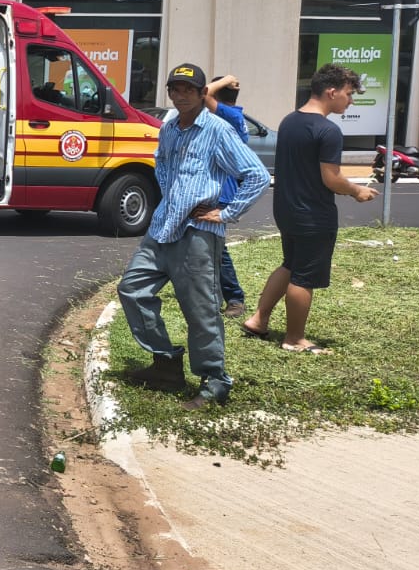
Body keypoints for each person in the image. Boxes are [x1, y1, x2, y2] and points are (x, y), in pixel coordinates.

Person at [117, 63, 269, 409]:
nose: (181, 95)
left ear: (204, 94)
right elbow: (164, 167)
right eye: (175, 88)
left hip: (198, 232)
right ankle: (166, 363)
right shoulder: (169, 126)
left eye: (189, 89)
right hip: (162, 227)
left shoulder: (217, 130)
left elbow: (256, 175)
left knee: (200, 310)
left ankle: (215, 381)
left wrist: (226, 213)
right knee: (132, 290)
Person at [243, 64, 377, 354]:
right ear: (332, 91)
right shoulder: (328, 131)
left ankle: (258, 319)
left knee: (290, 264)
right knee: (304, 276)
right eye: (348, 94)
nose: (350, 100)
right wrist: (357, 190)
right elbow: (331, 179)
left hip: (287, 210)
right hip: (313, 214)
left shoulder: (290, 121)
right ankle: (295, 338)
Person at [205, 74, 251, 317]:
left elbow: (203, 94)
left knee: (217, 250)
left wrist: (228, 79)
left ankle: (235, 298)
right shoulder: (231, 115)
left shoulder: (229, 115)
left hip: (221, 192)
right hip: (218, 190)